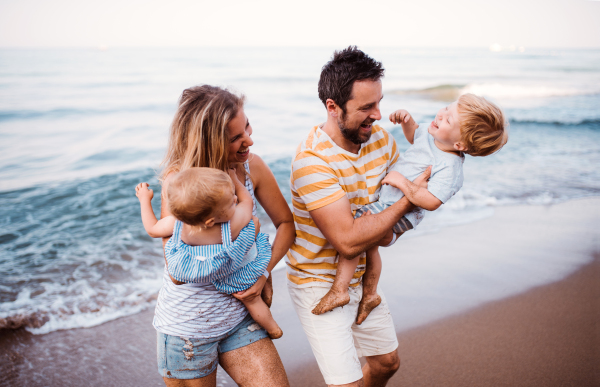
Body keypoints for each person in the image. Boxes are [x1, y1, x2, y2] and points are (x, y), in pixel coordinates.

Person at [286, 46, 431, 387]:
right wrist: (410, 202)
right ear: (333, 107)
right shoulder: (312, 162)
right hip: (319, 281)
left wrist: (387, 229)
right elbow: (348, 241)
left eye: (379, 102)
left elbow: (387, 216)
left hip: (363, 277)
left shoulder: (379, 138)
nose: (378, 115)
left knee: (386, 364)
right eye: (366, 107)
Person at [313, 94, 509, 323]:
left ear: (460, 145)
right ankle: (371, 294)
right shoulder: (433, 133)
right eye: (446, 107)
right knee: (370, 244)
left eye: (448, 120)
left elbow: (432, 201)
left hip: (402, 211)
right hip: (388, 202)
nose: (441, 115)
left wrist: (402, 183)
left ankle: (340, 290)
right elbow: (415, 136)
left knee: (359, 231)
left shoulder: (450, 166)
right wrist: (407, 121)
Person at [149, 85, 294, 386]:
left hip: (241, 317)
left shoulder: (250, 166)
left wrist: (262, 275)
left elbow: (285, 224)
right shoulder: (180, 185)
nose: (249, 140)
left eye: (248, 128)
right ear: (209, 141)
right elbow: (176, 272)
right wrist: (238, 241)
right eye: (236, 138)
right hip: (188, 328)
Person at [135, 167, 283, 339]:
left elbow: (152, 229)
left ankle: (272, 328)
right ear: (211, 220)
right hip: (240, 273)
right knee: (252, 301)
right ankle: (273, 329)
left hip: (210, 272)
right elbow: (247, 202)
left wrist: (144, 200)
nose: (235, 199)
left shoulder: (178, 226)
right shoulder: (232, 225)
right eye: (230, 203)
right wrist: (235, 181)